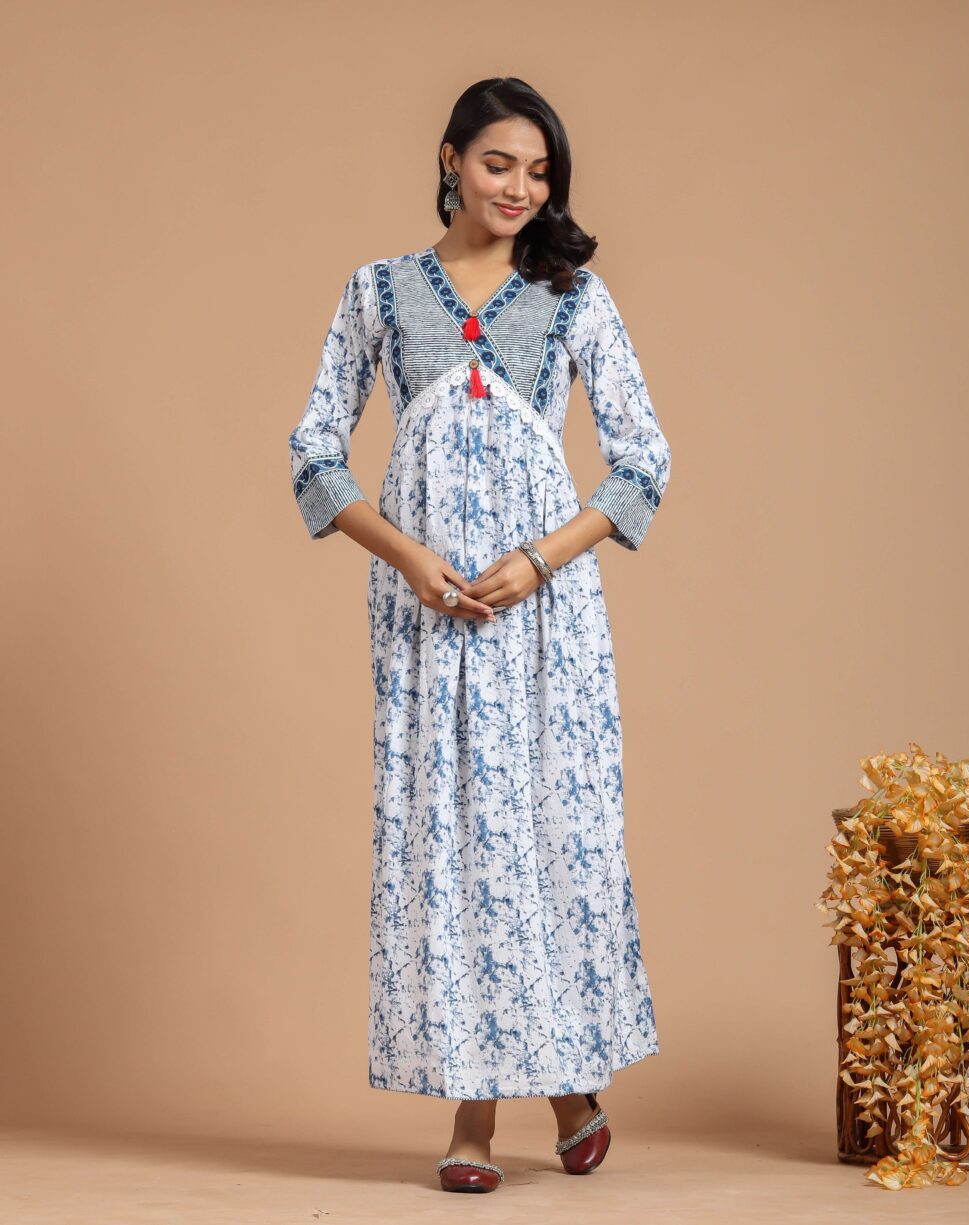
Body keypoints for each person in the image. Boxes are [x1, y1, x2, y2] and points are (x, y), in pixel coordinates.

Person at [288, 77, 672, 1194]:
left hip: (543, 616)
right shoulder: (376, 291)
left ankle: (489, 1117)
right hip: (424, 619)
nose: (519, 188)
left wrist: (540, 559)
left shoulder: (574, 297)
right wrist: (407, 557)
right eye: (499, 163)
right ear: (451, 160)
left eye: (539, 172)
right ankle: (543, 1097)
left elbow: (643, 462)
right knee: (452, 842)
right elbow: (313, 456)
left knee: (544, 832)